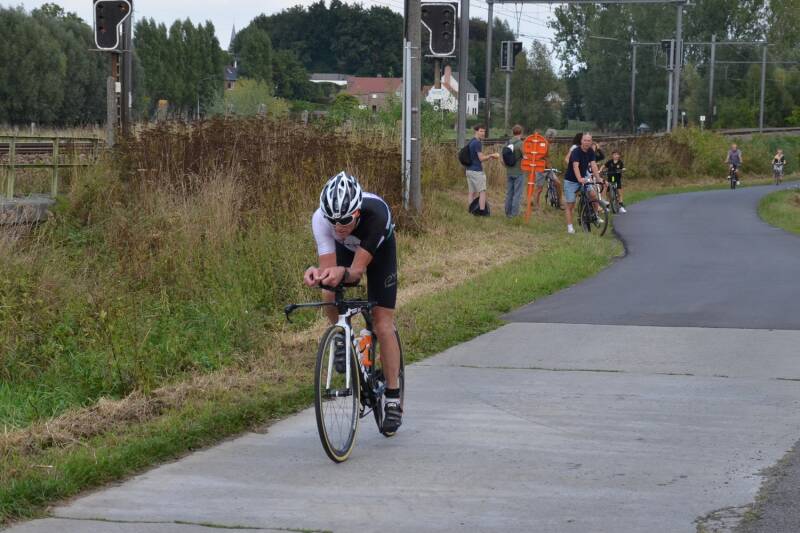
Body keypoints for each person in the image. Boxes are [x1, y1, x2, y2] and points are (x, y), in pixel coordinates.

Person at [303, 172, 403, 435]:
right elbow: (328, 270)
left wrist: (342, 272)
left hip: (378, 252)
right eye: (333, 221)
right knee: (329, 292)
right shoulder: (320, 219)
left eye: (345, 220)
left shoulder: (376, 215)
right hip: (347, 250)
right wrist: (318, 275)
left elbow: (356, 273)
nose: (338, 227)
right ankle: (340, 337)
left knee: (382, 323)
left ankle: (393, 397)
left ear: (357, 212)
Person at [564, 133, 604, 234]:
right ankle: (570, 227)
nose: (587, 142)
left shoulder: (590, 151)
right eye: (585, 140)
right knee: (570, 204)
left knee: (593, 195)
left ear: (591, 142)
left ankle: (595, 216)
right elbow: (575, 166)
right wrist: (579, 179)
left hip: (583, 178)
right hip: (571, 180)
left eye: (589, 141)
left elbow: (593, 165)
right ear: (581, 141)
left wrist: (598, 178)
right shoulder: (576, 151)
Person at [466, 124, 500, 216]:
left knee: (472, 192)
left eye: (484, 131)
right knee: (482, 191)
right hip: (476, 171)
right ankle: (482, 211)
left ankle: (471, 210)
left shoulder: (471, 141)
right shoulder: (477, 143)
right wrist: (491, 155)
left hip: (469, 170)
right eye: (481, 131)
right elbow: (481, 158)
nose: (483, 133)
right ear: (476, 131)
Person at [504, 125, 525, 217]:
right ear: (521, 133)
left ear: (513, 132)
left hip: (509, 171)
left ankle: (507, 212)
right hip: (519, 172)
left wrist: (507, 166)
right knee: (517, 194)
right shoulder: (521, 144)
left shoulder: (508, 143)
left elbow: (503, 158)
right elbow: (525, 156)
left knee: (509, 193)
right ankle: (514, 214)